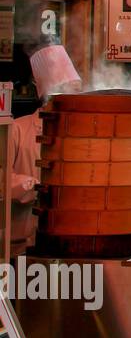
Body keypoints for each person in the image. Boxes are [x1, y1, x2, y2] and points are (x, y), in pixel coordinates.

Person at [8, 44, 82, 257]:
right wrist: (33, 185)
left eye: (77, 91)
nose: (75, 98)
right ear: (50, 95)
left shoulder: (79, 133)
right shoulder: (17, 129)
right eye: (70, 91)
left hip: (66, 241)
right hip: (20, 243)